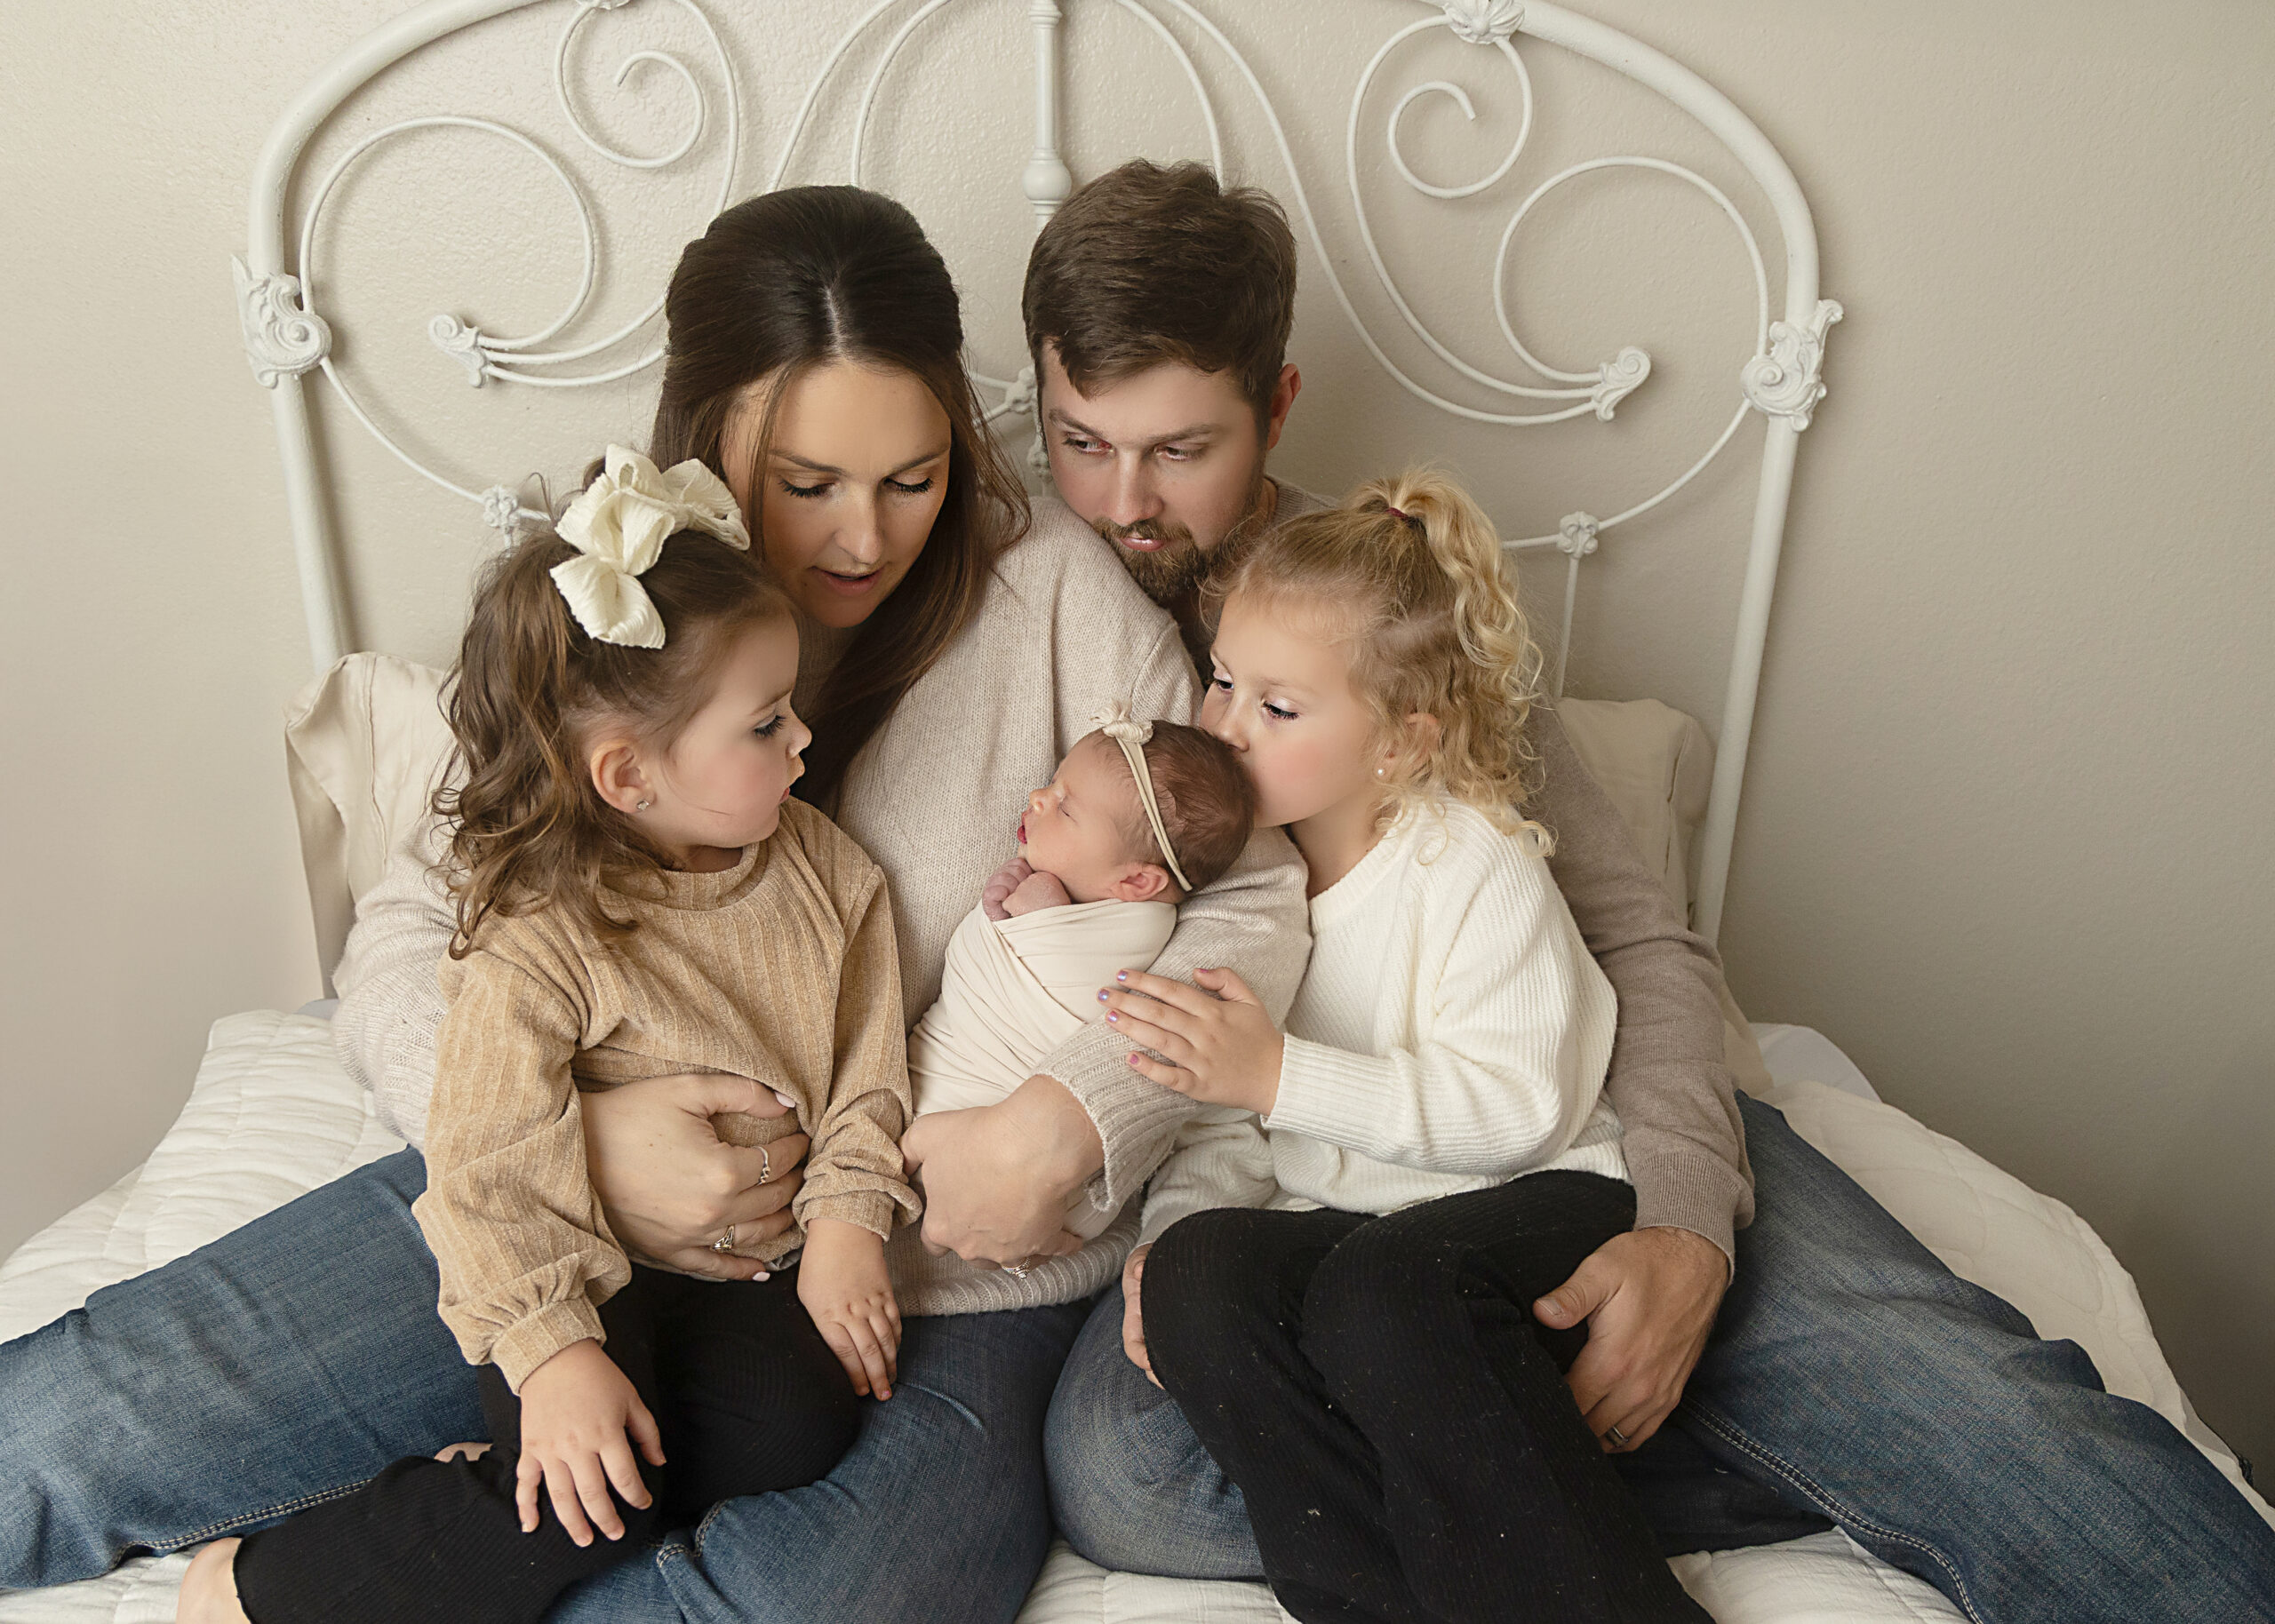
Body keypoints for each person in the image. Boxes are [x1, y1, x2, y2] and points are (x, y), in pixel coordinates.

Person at [0, 186, 1316, 1624]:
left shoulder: (1057, 593)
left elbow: (1248, 894)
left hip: (927, 1280)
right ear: (708, 436)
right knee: (66, 1426)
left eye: (914, 476)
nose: (864, 538)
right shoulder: (616, 592)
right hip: (557, 1210)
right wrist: (564, 1133)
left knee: (789, 1601)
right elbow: (416, 920)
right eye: (807, 482)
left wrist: (1076, 1113)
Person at [1032, 160, 2275, 1623]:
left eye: (1180, 449)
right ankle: (1533, 1452)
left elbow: (1638, 941)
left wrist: (1686, 1219)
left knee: (1975, 1408)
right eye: (1079, 442)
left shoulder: (1389, 613)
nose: (1124, 502)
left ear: (1278, 406)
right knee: (1127, 1473)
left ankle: (1594, 1441)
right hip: (1310, 1192)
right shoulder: (1030, 617)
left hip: (1560, 1139)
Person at [183, 450, 914, 1624]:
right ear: (628, 774)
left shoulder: (828, 876)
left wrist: (846, 1222)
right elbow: (490, 1165)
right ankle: (260, 1589)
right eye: (765, 723)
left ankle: (498, 1471)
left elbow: (869, 1072)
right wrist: (557, 1355)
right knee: (599, 1497)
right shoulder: (539, 929)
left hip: (734, 1274)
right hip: (568, 1262)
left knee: (803, 1425)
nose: (803, 741)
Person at [1123, 467, 1708, 1623]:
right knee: (1201, 1273)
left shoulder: (1472, 859)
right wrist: (1168, 1238)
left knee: (1382, 1289)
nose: (1223, 726)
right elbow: (1222, 1122)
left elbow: (1519, 1106)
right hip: (1366, 1240)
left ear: (1400, 741)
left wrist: (1283, 1074)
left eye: (1278, 708)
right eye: (1223, 680)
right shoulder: (1246, 883)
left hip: (1535, 1195)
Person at [907, 715, 1257, 1237]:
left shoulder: (1127, 933)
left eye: (1065, 807)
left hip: (972, 1121)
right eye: (1053, 782)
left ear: (1137, 882)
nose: (1037, 798)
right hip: (1044, 1187)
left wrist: (1030, 904)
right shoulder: (1131, 914)